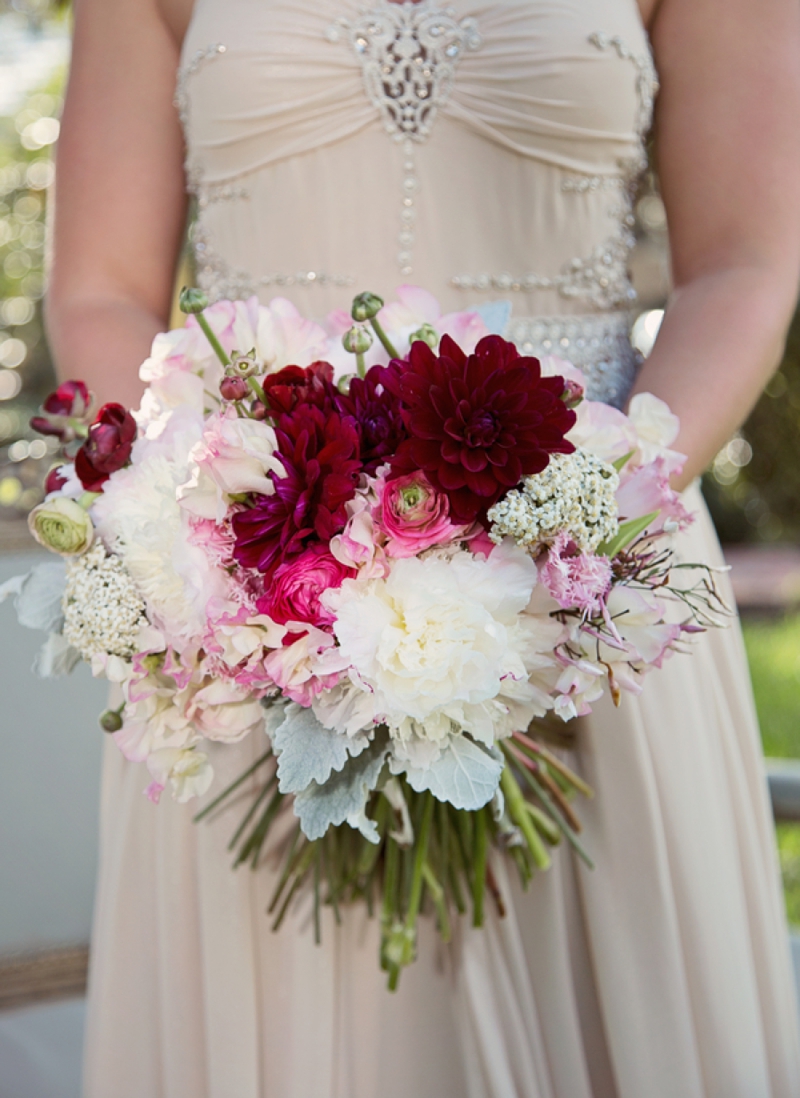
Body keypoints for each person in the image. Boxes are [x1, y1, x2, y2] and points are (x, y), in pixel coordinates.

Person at [46, 0, 800, 1095]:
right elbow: (102, 287)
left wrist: (589, 512)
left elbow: (741, 263)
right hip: (257, 610)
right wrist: (211, 527)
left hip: (598, 592)